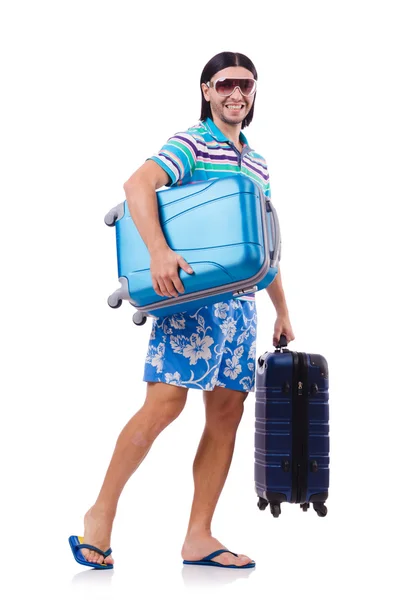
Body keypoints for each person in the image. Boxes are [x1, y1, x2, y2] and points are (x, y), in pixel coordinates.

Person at [70, 51, 295, 570]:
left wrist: (282, 309)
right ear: (207, 90)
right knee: (163, 407)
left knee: (225, 419)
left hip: (241, 309)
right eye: (226, 85)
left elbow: (264, 243)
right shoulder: (191, 143)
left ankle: (199, 536)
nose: (237, 94)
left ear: (254, 92)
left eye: (246, 85)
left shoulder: (258, 163)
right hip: (191, 301)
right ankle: (99, 515)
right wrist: (157, 252)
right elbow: (136, 185)